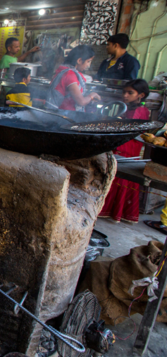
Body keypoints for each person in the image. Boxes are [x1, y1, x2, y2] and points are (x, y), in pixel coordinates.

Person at [100, 79, 150, 224]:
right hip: (126, 143)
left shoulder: (140, 110)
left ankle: (114, 211)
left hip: (129, 146)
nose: (125, 95)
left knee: (121, 175)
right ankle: (114, 211)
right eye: (124, 92)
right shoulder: (128, 107)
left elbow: (129, 129)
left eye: (130, 93)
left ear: (141, 95)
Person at [47, 45, 101, 111]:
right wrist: (92, 96)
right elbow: (81, 101)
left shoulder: (63, 70)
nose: (88, 65)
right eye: (88, 61)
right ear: (79, 60)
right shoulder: (70, 74)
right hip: (65, 116)